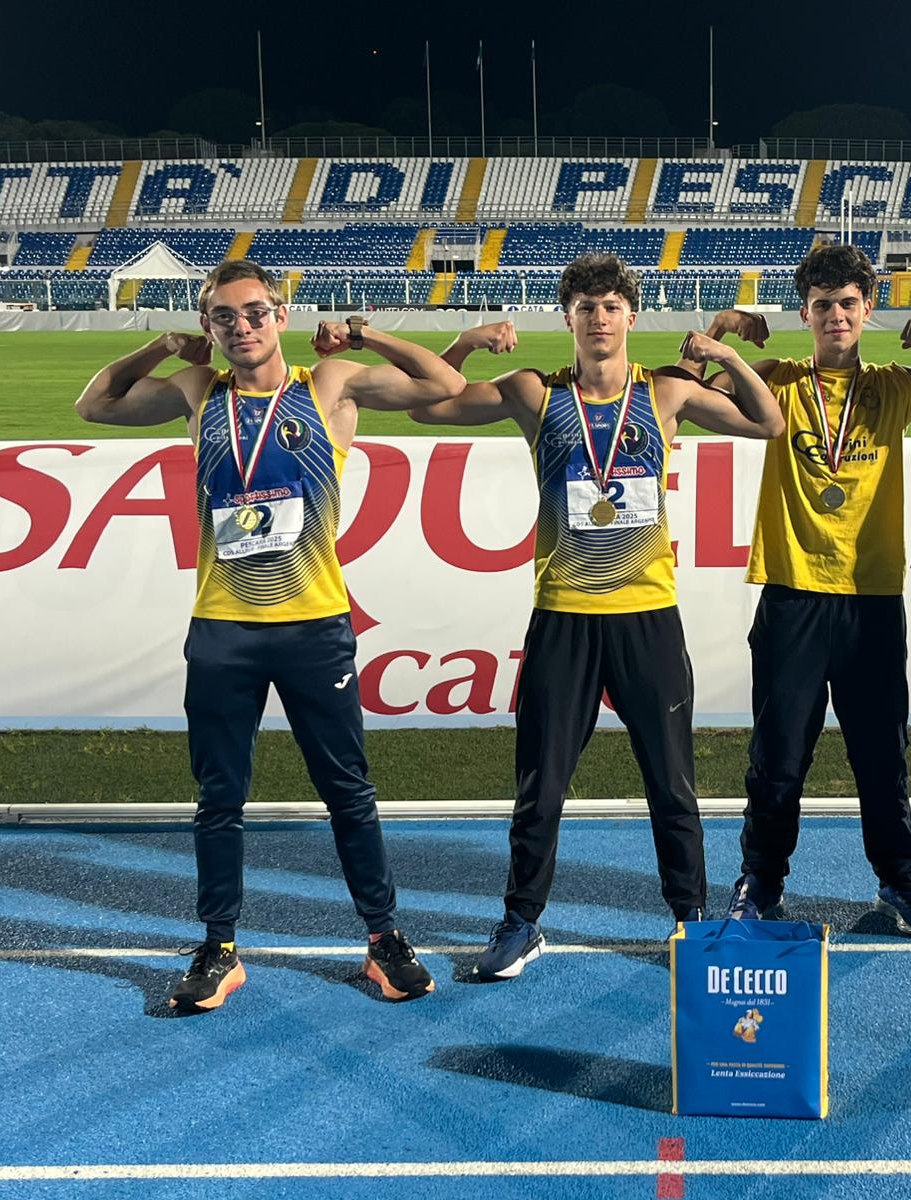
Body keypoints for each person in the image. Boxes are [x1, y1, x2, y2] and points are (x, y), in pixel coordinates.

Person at [75, 258, 465, 1010]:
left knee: (347, 791)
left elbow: (443, 384)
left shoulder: (331, 384)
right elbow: (95, 404)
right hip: (224, 629)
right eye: (224, 317)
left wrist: (362, 334)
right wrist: (161, 347)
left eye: (255, 312)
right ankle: (219, 947)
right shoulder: (199, 390)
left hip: (314, 626)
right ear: (208, 326)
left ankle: (384, 938)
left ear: (280, 316)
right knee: (220, 797)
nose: (242, 327)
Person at [411, 253, 785, 980]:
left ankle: (690, 921)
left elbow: (767, 424)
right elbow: (428, 407)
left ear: (630, 317)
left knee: (671, 782)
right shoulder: (535, 392)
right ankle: (522, 922)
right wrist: (464, 343)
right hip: (564, 617)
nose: (599, 318)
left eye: (611, 306)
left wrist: (726, 357)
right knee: (541, 785)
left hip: (647, 615)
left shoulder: (667, 392)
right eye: (586, 307)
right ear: (569, 319)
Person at [683, 242, 911, 939]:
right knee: (778, 759)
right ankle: (760, 880)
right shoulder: (775, 378)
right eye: (823, 304)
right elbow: (683, 401)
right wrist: (719, 330)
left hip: (871, 598)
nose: (836, 314)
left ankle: (901, 881)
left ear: (868, 310)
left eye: (848, 304)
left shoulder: (894, 385)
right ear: (805, 313)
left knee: (881, 756)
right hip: (793, 594)